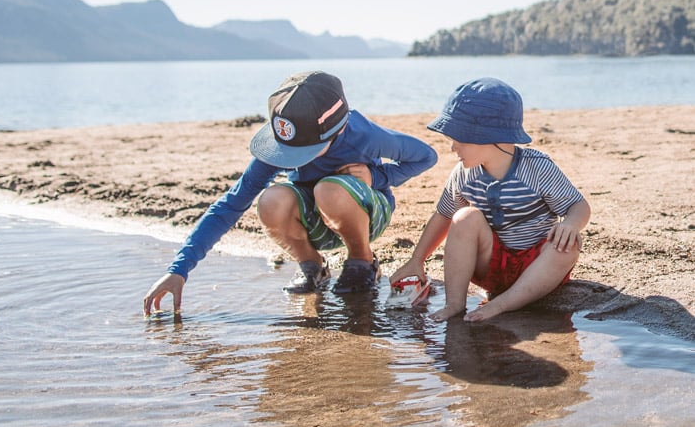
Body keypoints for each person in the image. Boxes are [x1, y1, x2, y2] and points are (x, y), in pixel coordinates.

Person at [143, 70, 438, 316]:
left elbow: (425, 156)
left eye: (302, 151)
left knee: (329, 189)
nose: (290, 157)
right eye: (286, 150)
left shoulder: (363, 135)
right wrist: (178, 270)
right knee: (271, 200)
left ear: (336, 131)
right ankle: (312, 267)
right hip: (315, 220)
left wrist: (377, 175)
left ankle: (362, 262)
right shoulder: (280, 146)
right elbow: (229, 205)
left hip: (365, 213)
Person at [389, 77, 591, 322]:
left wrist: (570, 224)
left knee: (569, 244)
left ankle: (503, 304)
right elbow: (443, 215)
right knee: (464, 216)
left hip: (538, 269)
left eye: (459, 139)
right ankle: (455, 304)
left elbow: (578, 206)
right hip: (491, 266)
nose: (453, 147)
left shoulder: (537, 168)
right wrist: (417, 260)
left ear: (489, 136)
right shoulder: (464, 174)